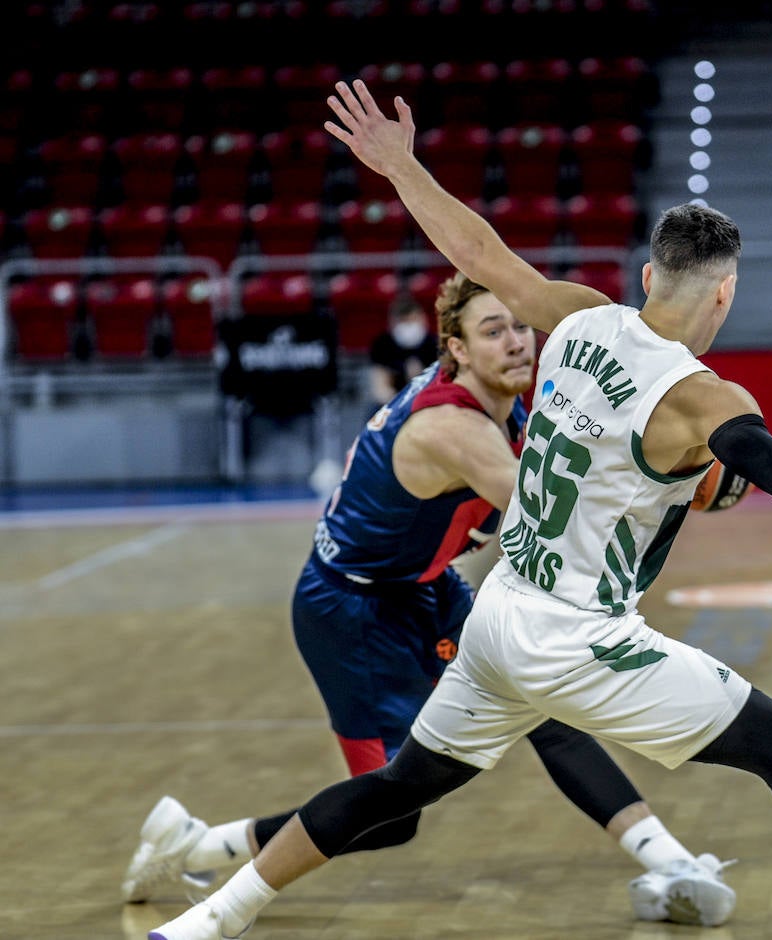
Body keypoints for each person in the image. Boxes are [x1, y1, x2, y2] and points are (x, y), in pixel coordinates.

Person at [147, 78, 772, 940]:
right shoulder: (703, 400)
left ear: (649, 277)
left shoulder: (580, 319)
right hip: (575, 635)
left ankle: (206, 921)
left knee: (400, 787)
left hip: (499, 613)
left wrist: (401, 167)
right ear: (725, 292)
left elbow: (477, 254)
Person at [125, 270, 737, 927]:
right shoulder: (453, 427)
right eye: (492, 331)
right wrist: (674, 474)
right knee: (393, 816)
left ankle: (670, 861)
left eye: (520, 326)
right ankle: (198, 846)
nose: (516, 342)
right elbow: (556, 519)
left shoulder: (507, 400)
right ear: (458, 349)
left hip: (424, 584)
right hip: (353, 612)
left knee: (544, 705)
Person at [367, 289, 439, 406]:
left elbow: (441, 384)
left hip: (428, 399)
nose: (409, 326)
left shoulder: (434, 344)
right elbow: (380, 388)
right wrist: (401, 405)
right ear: (393, 322)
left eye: (413, 320)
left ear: (423, 319)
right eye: (404, 321)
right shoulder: (383, 344)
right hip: (394, 401)